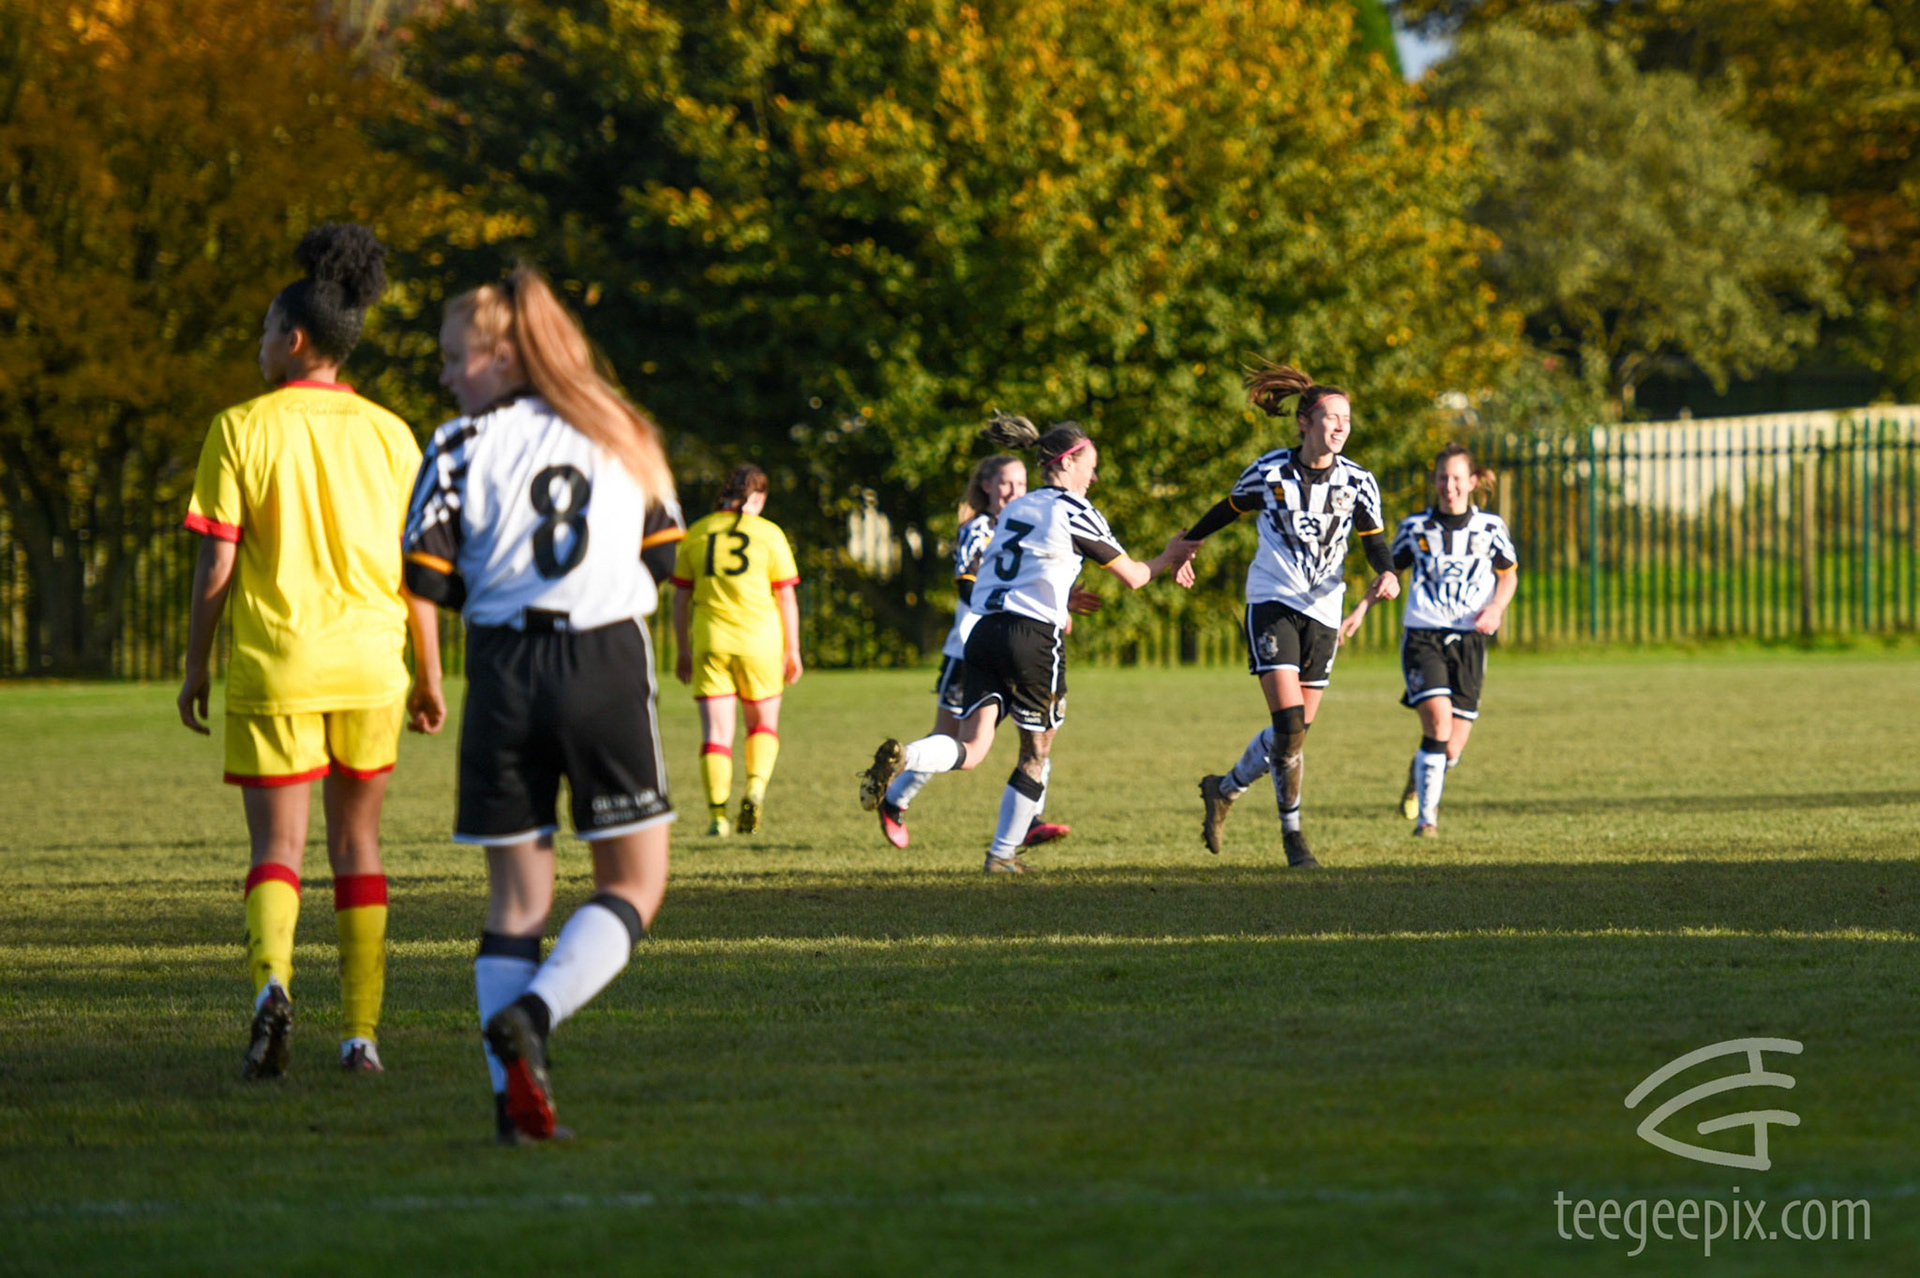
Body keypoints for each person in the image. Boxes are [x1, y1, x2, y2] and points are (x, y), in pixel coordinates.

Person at [402, 266, 682, 1144]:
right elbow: (669, 556)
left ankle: (511, 1109)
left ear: (505, 355)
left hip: (504, 667)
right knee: (636, 883)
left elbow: (424, 575)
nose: (447, 376)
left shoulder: (455, 444)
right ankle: (537, 1013)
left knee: (516, 901)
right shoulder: (623, 431)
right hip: (604, 659)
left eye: (456, 358)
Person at [176, 223, 445, 1080]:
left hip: (276, 666)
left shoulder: (240, 429)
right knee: (358, 848)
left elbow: (217, 561)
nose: (258, 344)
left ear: (294, 340)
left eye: (263, 330)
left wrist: (193, 666)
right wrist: (430, 675)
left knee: (277, 853)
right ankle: (361, 1034)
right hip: (372, 667)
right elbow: (418, 578)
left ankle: (270, 989)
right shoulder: (394, 436)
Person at [857, 415, 1195, 873]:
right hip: (1032, 639)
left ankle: (907, 756)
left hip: (983, 632)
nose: (1093, 477)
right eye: (1090, 466)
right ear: (1070, 462)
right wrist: (1169, 557)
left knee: (973, 750)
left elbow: (1008, 566)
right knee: (1035, 753)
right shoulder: (1074, 510)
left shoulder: (1019, 508)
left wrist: (1057, 591)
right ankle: (1001, 857)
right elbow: (1134, 576)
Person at [1182, 361, 1399, 868]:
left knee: (1294, 734)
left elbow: (1375, 542)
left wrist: (1386, 572)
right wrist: (1187, 545)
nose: (1342, 426)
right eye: (1332, 416)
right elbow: (1227, 508)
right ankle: (1294, 836)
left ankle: (1225, 788)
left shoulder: (1359, 482)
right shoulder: (1269, 471)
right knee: (1289, 721)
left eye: (1347, 418)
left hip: (1324, 608)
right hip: (1273, 600)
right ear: (1305, 422)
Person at [877, 448, 1069, 850]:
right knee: (950, 739)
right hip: (969, 650)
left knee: (1036, 732)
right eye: (1005, 483)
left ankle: (1031, 818)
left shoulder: (1030, 523)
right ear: (986, 486)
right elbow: (967, 583)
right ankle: (895, 799)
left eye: (1020, 483)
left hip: (1017, 645)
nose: (1014, 491)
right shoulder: (978, 527)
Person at [1349, 444, 1518, 836]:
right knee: (1439, 725)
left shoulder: (1490, 528)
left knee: (1451, 749)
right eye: (1443, 477)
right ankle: (1428, 820)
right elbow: (1389, 575)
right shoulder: (1415, 529)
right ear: (1434, 481)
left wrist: (1496, 609)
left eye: (1458, 478)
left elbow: (1508, 574)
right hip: (1424, 635)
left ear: (1473, 482)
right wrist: (1359, 611)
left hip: (1471, 640)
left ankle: (1419, 773)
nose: (1450, 486)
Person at [669, 464, 803, 837]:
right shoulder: (768, 533)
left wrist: (683, 649)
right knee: (762, 725)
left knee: (716, 734)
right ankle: (756, 790)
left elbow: (680, 600)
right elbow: (786, 596)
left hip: (711, 642)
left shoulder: (697, 533)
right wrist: (792, 649)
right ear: (755, 498)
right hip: (760, 643)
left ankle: (717, 817)